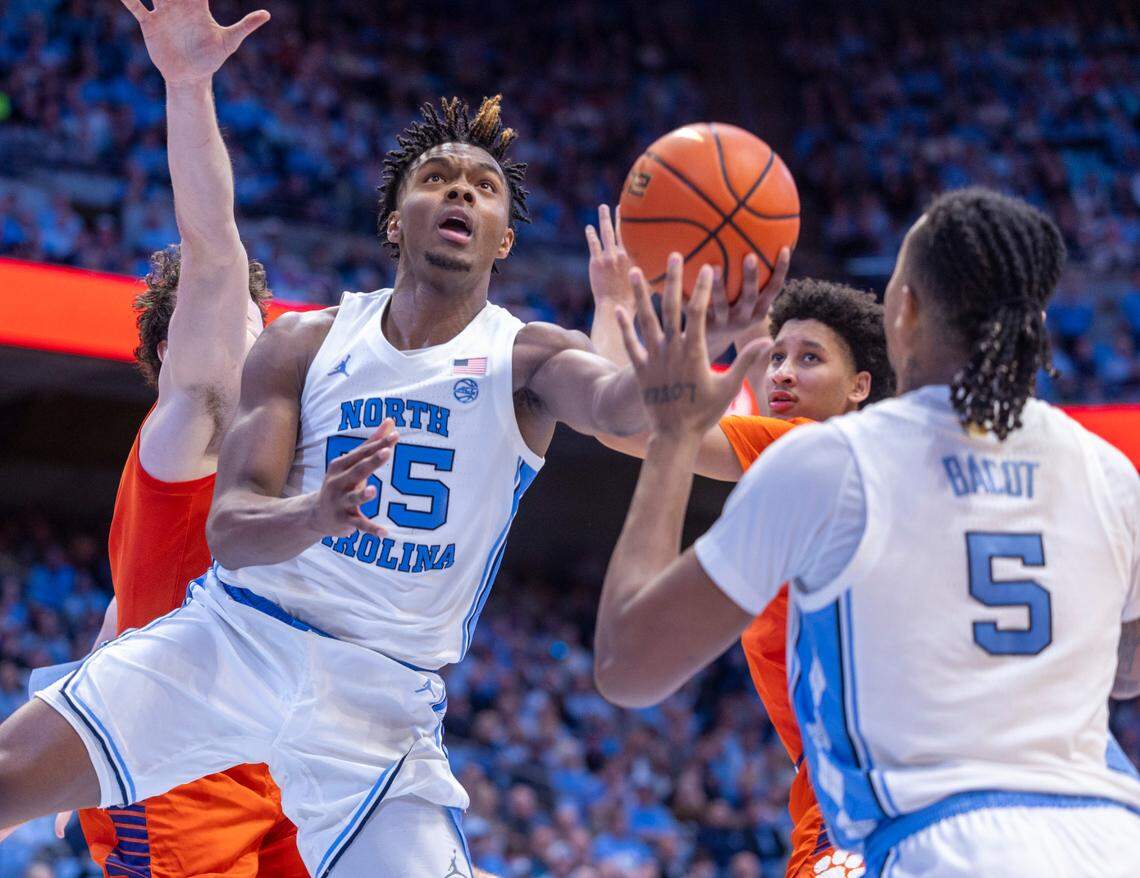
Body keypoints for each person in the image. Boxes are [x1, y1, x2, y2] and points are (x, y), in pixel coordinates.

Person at [0, 5, 773, 876]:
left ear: (505, 240)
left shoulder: (525, 357)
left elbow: (620, 410)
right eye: (438, 178)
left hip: (380, 698)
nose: (461, 192)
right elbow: (230, 530)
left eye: (484, 189)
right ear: (395, 222)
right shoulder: (301, 344)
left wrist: (678, 374)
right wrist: (314, 514)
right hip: (238, 637)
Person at [593, 188, 1140, 876]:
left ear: (902, 312)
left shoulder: (831, 462)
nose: (787, 372)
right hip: (1110, 839)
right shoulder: (1105, 471)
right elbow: (1127, 671)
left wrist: (675, 431)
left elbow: (628, 667)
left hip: (927, 842)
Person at [2, 2, 308, 876]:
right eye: (225, 318)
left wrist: (69, 745)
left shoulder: (267, 448)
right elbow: (212, 250)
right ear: (173, 351)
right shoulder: (196, 420)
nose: (248, 328)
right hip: (174, 777)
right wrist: (188, 85)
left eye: (254, 316)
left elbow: (123, 613)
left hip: (273, 763)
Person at [587, 206, 893, 878]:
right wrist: (755, 296)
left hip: (860, 803)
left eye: (809, 360)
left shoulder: (807, 446)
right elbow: (762, 372)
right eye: (779, 356)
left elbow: (624, 426)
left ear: (859, 387)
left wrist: (612, 306)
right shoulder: (850, 458)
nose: (781, 372)